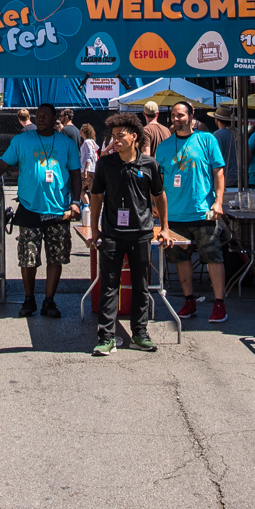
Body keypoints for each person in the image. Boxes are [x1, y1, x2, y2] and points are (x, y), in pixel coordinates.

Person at [0, 103, 80, 318]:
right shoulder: (21, 140)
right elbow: (3, 164)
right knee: (28, 258)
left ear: (55, 119)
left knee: (56, 258)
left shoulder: (67, 143)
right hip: (29, 208)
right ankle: (29, 299)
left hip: (59, 210)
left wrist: (76, 202)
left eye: (45, 116)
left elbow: (76, 175)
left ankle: (49, 301)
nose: (41, 118)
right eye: (38, 115)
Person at [86, 113, 169, 355]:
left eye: (120, 136)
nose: (116, 140)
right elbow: (96, 197)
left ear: (134, 137)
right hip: (112, 234)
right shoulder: (105, 164)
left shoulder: (149, 165)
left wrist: (163, 226)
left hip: (142, 233)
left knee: (141, 285)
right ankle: (106, 337)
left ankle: (140, 333)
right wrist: (94, 229)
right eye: (113, 136)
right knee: (109, 286)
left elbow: (159, 196)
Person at [155, 102, 228, 323]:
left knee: (213, 257)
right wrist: (156, 207)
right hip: (174, 215)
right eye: (173, 116)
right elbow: (158, 181)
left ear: (191, 116)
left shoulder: (207, 140)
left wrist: (218, 201)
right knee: (181, 259)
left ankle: (219, 304)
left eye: (181, 115)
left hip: (202, 212)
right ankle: (189, 301)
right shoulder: (164, 146)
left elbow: (219, 172)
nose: (176, 119)